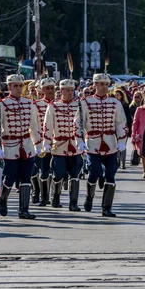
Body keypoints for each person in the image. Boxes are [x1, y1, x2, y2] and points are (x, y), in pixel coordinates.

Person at [75, 73, 128, 217]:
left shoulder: (115, 103)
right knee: (94, 171)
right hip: (93, 143)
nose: (104, 87)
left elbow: (121, 123)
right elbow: (79, 124)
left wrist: (122, 141)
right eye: (101, 84)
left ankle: (106, 207)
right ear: (95, 85)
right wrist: (79, 141)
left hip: (111, 143)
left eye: (106, 84)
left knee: (111, 175)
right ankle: (89, 196)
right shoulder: (85, 102)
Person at [0, 74, 41, 219]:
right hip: (10, 146)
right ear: (9, 87)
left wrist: (37, 144)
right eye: (15, 86)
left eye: (20, 86)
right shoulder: (1, 104)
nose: (19, 88)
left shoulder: (28, 103)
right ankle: (3, 199)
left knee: (26, 177)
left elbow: (34, 126)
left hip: (26, 145)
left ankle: (23, 210)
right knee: (10, 177)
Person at [43, 79, 83, 210]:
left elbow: (84, 125)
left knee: (75, 174)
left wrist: (84, 142)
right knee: (58, 174)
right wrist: (46, 143)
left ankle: (73, 203)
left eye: (72, 90)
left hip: (75, 145)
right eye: (68, 90)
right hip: (59, 145)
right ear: (61, 91)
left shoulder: (79, 105)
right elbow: (47, 126)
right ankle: (55, 198)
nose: (71, 93)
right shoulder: (53, 106)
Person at [33, 77, 56, 206]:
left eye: (52, 88)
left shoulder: (59, 104)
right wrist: (36, 143)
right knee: (43, 170)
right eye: (47, 88)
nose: (50, 90)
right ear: (42, 90)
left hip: (58, 142)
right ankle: (43, 196)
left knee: (56, 171)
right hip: (42, 142)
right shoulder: (35, 105)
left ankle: (53, 196)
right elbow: (34, 125)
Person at [114, 88, 132, 169]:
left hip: (124, 127)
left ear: (121, 96)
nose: (116, 96)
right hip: (114, 128)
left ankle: (123, 163)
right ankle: (117, 161)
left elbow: (128, 117)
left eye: (118, 95)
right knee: (115, 145)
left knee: (122, 145)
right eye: (115, 95)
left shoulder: (125, 105)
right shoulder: (112, 104)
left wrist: (128, 127)